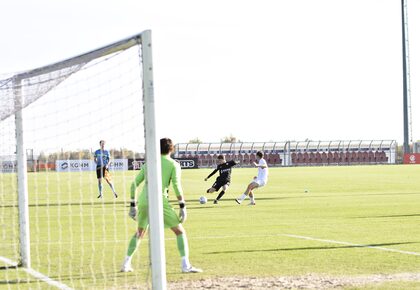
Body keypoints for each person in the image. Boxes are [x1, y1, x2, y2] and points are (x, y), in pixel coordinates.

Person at [120, 138, 202, 273]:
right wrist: (182, 206)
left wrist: (132, 205)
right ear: (171, 149)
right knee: (179, 231)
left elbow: (134, 184)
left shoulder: (149, 164)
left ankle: (126, 263)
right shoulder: (173, 164)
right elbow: (176, 185)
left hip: (143, 201)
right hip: (160, 201)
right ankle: (185, 265)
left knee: (140, 232)